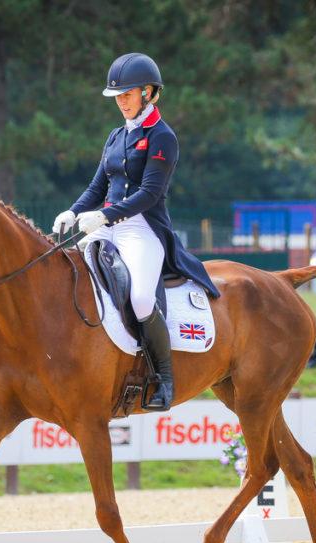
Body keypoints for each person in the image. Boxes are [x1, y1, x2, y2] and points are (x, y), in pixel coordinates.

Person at [51, 53, 220, 411]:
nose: (121, 102)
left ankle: (163, 378)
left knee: (142, 299)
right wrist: (75, 210)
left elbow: (149, 194)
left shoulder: (162, 137)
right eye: (118, 96)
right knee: (70, 278)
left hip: (141, 229)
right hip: (106, 226)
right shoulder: (115, 136)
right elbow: (98, 186)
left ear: (148, 92)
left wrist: (104, 216)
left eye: (127, 94)